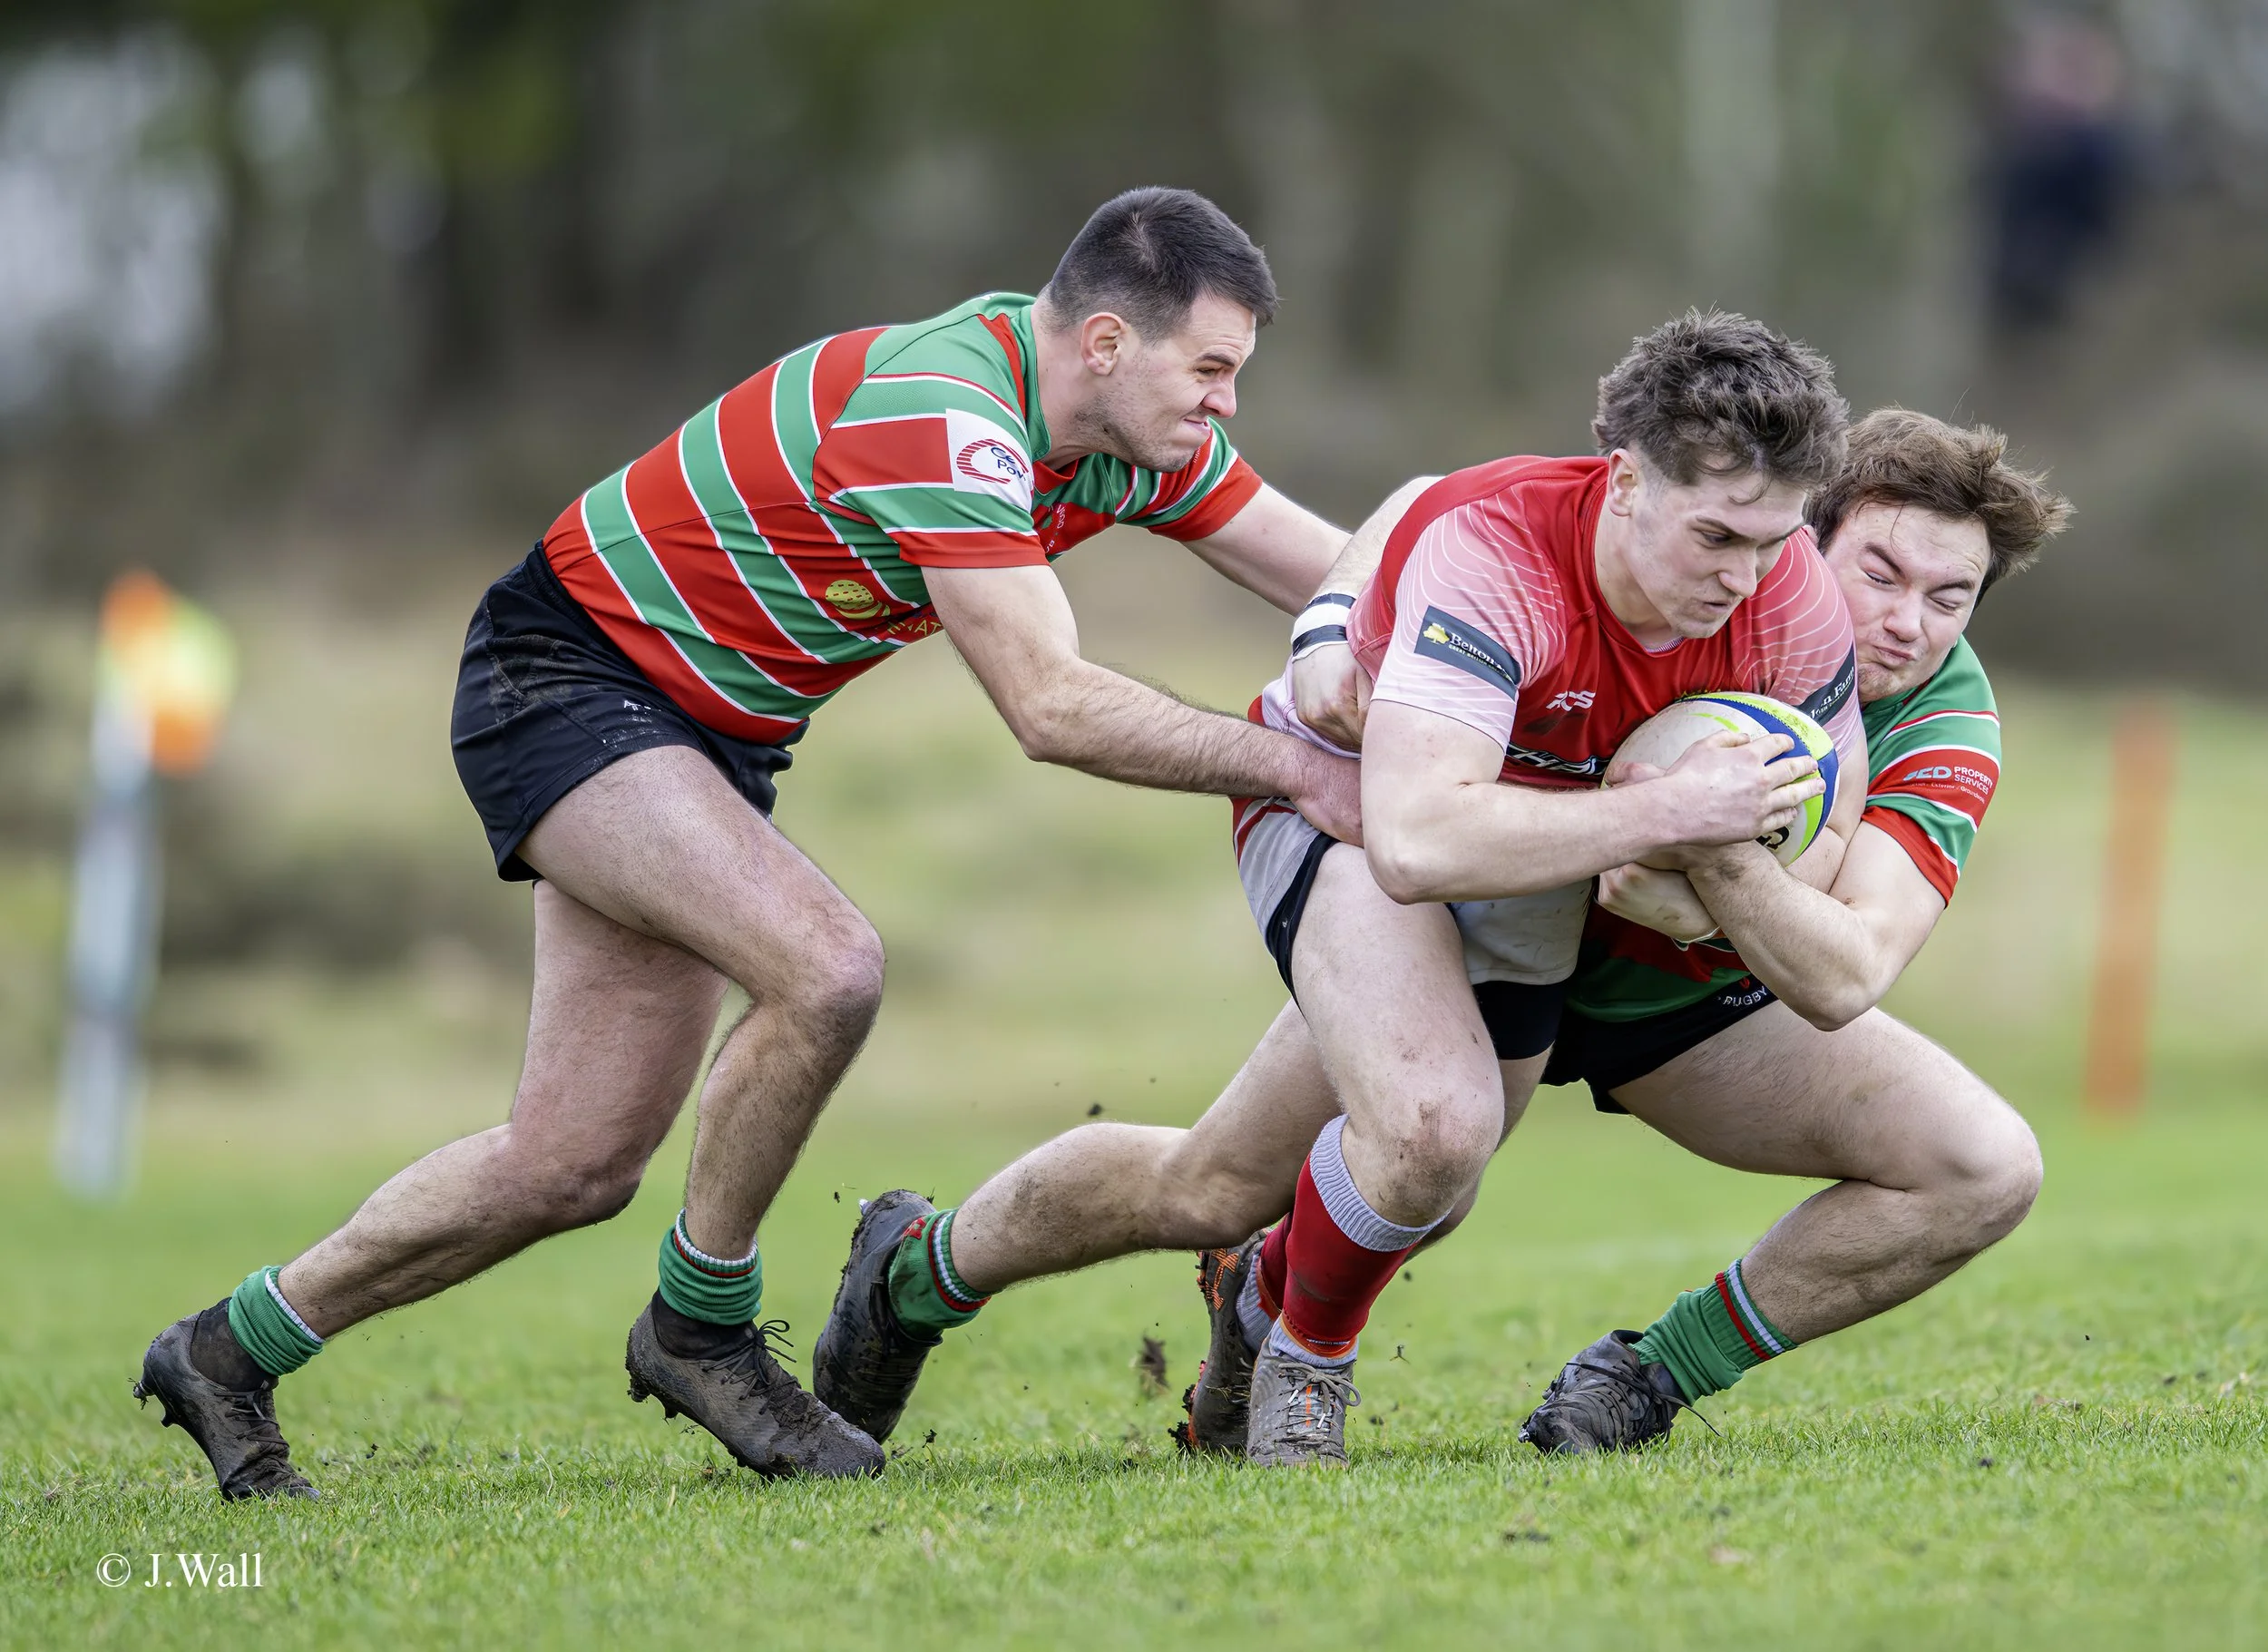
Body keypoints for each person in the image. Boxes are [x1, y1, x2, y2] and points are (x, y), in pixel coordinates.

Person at [132, 187, 1366, 1499]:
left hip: (693, 734)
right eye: (1214, 368)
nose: (1229, 403)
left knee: (571, 1162)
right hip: (567, 677)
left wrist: (1488, 644)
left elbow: (1341, 567)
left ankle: (223, 1351)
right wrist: (1300, 767)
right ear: (1109, 343)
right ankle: (701, 1327)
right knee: (827, 968)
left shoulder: (1122, 439)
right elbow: (1049, 705)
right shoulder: (944, 414)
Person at [816, 311, 1862, 1469]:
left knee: (1240, 1186)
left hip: (1528, 871)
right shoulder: (1505, 554)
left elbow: (1813, 849)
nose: (1744, 576)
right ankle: (1301, 1370)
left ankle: (920, 1270)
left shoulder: (1788, 594)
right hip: (1348, 812)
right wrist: (1665, 815)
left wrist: (1701, 873)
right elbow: (1415, 841)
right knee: (1431, 1127)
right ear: (1623, 480)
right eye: (1716, 534)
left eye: (1771, 541)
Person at [1514, 407, 2069, 1452]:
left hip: (1683, 1011)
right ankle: (1265, 1305)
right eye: (1880, 574)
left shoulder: (1947, 719)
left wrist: (1712, 850)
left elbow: (1848, 969)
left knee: (1983, 1165)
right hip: (1488, 946)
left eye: (1947, 597)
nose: (1908, 620)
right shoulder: (1684, 570)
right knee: (1214, 1184)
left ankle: (1643, 1378)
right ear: (1800, 538)